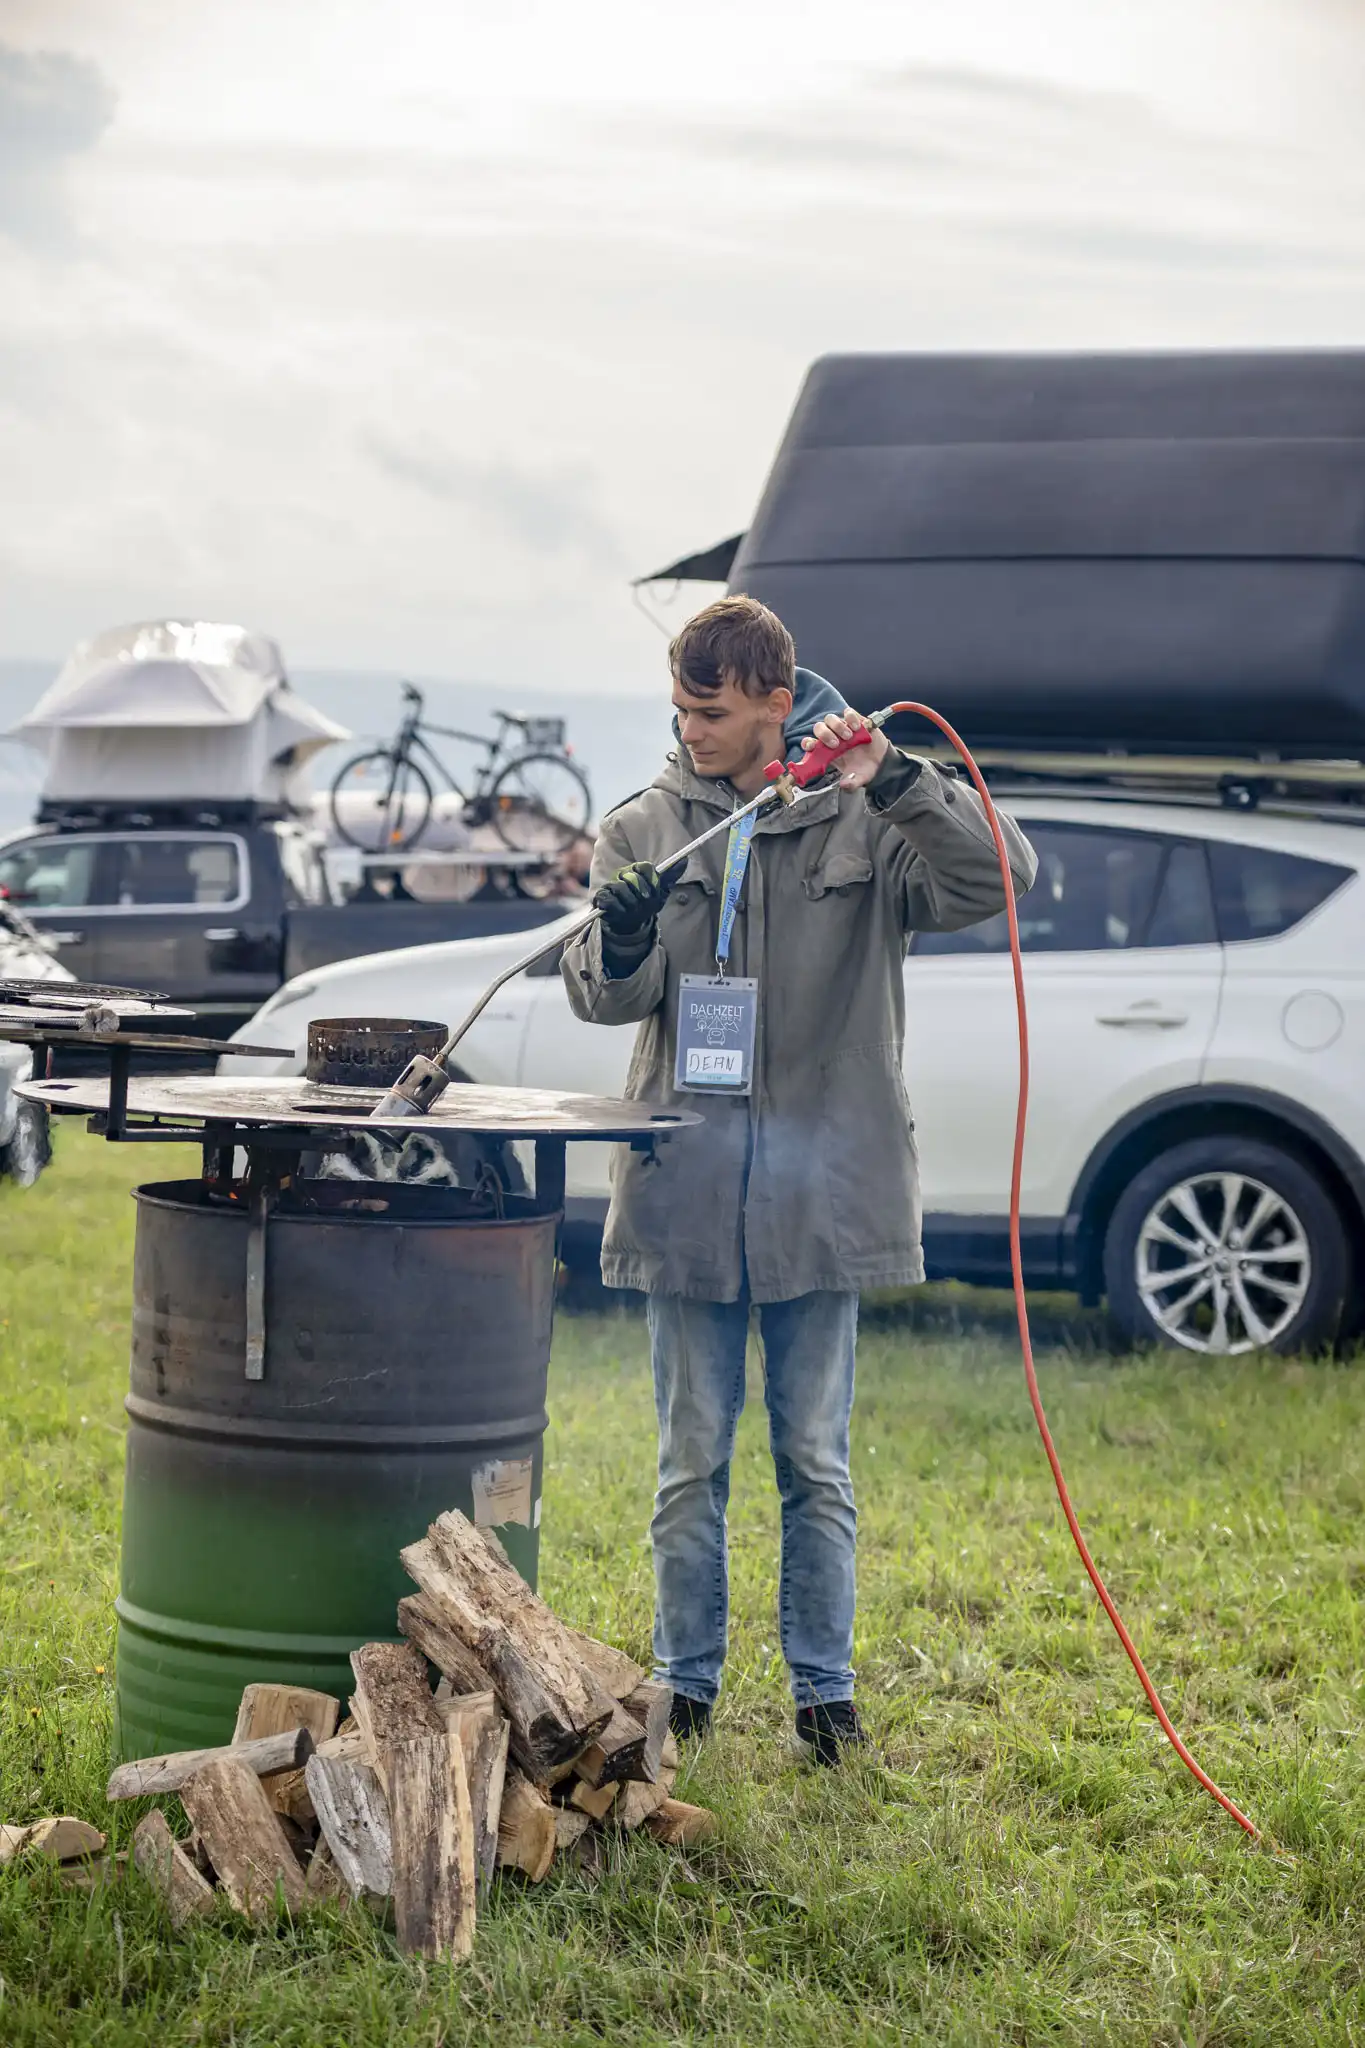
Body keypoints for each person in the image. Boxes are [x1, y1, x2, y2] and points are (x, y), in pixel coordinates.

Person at [561, 596, 1036, 1763]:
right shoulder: (644, 825)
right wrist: (618, 941)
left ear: (778, 700)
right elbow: (600, 993)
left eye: (712, 711)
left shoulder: (865, 815)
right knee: (689, 1465)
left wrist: (896, 779)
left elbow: (1002, 875)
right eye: (678, 709)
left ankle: (826, 1695)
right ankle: (686, 1685)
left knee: (815, 1462)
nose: (691, 730)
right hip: (688, 1192)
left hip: (825, 1197)